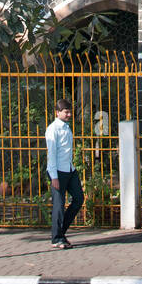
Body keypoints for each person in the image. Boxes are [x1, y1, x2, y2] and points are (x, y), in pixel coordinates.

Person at [45, 98, 83, 249]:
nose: (69, 115)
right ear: (57, 112)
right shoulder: (53, 129)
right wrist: (54, 176)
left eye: (70, 112)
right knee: (59, 205)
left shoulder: (67, 128)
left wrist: (72, 168)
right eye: (66, 112)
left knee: (79, 198)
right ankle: (56, 238)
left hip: (69, 169)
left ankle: (61, 233)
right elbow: (51, 154)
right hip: (57, 172)